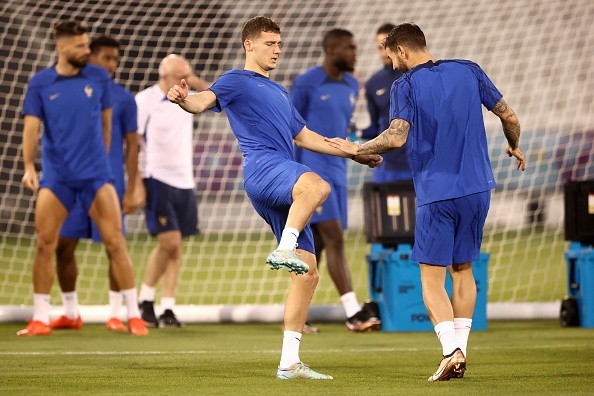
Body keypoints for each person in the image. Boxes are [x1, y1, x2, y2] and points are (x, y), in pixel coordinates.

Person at [167, 16, 382, 379]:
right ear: (249, 45)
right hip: (263, 167)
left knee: (309, 275)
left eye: (279, 44)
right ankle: (284, 247)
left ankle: (289, 362)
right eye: (270, 43)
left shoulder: (280, 92)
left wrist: (353, 152)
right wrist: (184, 100)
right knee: (317, 186)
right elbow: (204, 101)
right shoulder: (235, 80)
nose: (277, 50)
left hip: (280, 170)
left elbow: (304, 136)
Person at [326, 23, 525, 381]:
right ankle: (460, 353)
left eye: (390, 55)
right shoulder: (469, 69)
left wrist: (357, 149)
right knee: (463, 270)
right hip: (479, 188)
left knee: (430, 278)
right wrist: (513, 144)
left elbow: (397, 137)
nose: (390, 62)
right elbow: (509, 116)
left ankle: (451, 350)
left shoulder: (406, 84)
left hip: (438, 191)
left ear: (402, 51)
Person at [18, 20, 147, 336]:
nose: (85, 51)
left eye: (86, 45)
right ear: (62, 48)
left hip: (95, 177)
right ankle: (40, 318)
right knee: (45, 244)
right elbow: (31, 129)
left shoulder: (99, 78)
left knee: (116, 242)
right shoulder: (40, 84)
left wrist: (99, 165)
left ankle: (133, 315)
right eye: (79, 46)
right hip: (58, 178)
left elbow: (105, 126)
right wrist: (29, 167)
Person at [290, 28, 380, 333]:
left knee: (316, 246)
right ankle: (354, 314)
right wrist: (293, 175)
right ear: (331, 49)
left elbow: (345, 129)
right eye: (349, 48)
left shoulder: (354, 85)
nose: (355, 53)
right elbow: (292, 130)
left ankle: (295, 315)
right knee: (335, 239)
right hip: (312, 173)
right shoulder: (306, 83)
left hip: (339, 173)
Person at [135, 54, 210, 328]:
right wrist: (137, 182)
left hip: (184, 180)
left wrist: (191, 81)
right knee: (170, 242)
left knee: (177, 246)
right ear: (165, 77)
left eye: (188, 75)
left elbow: (215, 94)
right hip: (157, 178)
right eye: (181, 76)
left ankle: (167, 308)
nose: (185, 81)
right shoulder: (145, 101)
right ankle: (144, 301)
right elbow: (131, 143)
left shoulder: (189, 98)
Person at [362, 23, 412, 183]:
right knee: (388, 209)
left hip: (419, 163)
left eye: (386, 46)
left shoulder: (417, 76)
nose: (383, 52)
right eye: (379, 47)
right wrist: (355, 134)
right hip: (388, 167)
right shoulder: (373, 83)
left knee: (420, 209)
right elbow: (376, 127)